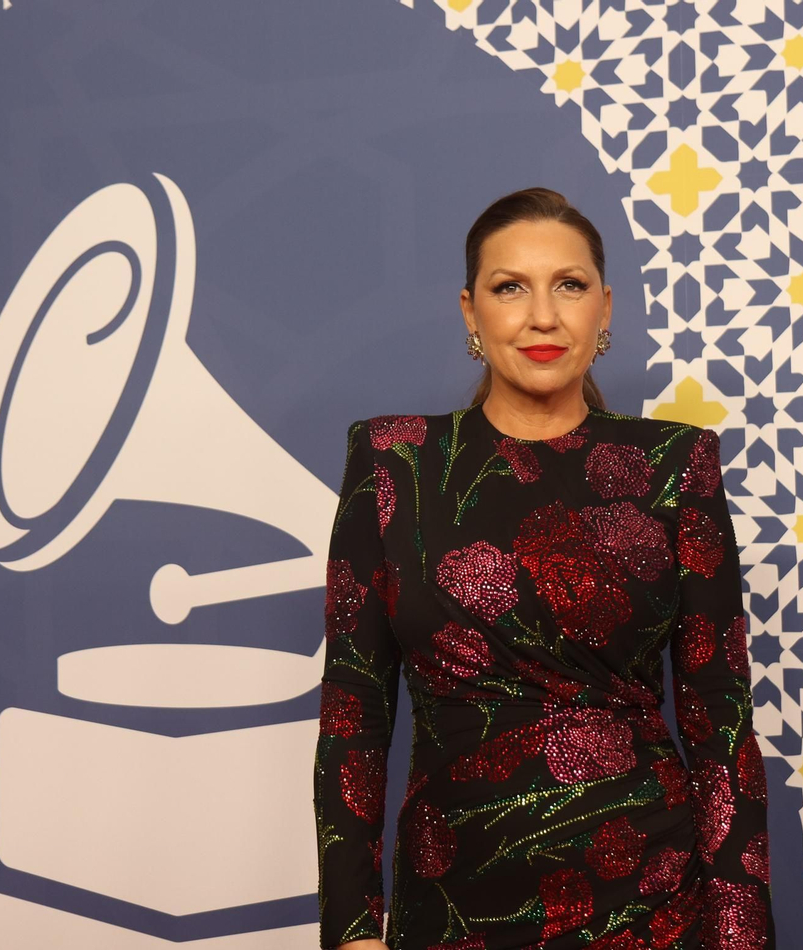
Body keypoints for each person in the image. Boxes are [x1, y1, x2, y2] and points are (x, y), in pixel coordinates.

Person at [313, 187, 774, 950]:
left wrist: (742, 936)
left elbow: (721, 725)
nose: (542, 316)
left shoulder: (674, 467)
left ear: (605, 307)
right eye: (509, 288)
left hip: (650, 904)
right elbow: (354, 711)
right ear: (470, 311)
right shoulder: (394, 465)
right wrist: (353, 927)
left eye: (569, 284)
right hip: (452, 903)